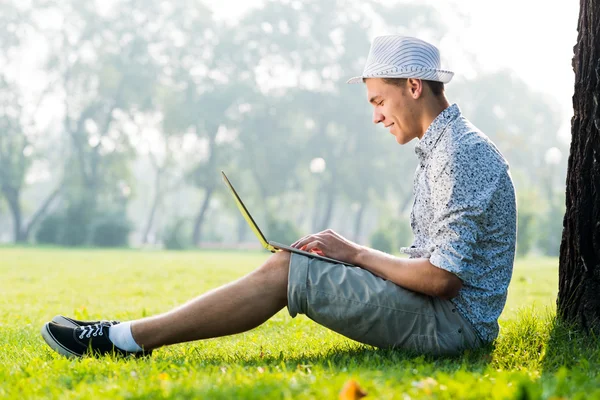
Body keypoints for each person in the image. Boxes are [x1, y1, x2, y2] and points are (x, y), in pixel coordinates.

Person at [41, 35, 516, 358]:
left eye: (378, 101)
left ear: (413, 87)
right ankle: (123, 334)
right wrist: (349, 259)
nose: (375, 117)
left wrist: (354, 253)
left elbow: (441, 280)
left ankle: (122, 340)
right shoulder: (442, 147)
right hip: (436, 310)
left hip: (452, 325)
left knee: (294, 268)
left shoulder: (460, 153)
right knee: (297, 261)